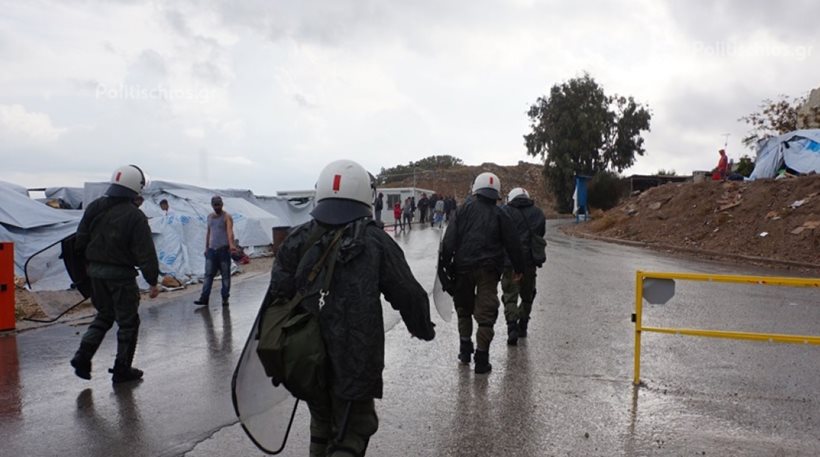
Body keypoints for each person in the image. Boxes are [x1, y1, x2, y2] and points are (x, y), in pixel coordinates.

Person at [264, 159, 435, 456]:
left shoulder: (298, 238)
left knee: (321, 420)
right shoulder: (375, 241)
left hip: (306, 355)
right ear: (365, 195)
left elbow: (277, 296)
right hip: (355, 358)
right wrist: (422, 328)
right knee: (352, 429)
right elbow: (408, 293)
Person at [70, 164, 160, 384]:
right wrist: (153, 281)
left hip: (96, 275)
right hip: (120, 278)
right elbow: (146, 253)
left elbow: (79, 242)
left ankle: (82, 356)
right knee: (128, 323)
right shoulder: (135, 216)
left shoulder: (94, 207)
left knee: (104, 315)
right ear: (134, 188)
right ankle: (122, 369)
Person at [438, 172, 525, 374]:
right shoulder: (501, 214)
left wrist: (444, 265)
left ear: (475, 189)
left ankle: (465, 350)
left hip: (462, 269)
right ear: (496, 193)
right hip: (488, 270)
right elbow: (514, 244)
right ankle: (482, 359)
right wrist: (519, 268)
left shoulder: (462, 211)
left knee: (464, 308)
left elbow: (449, 241)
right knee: (486, 313)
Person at [500, 187, 546, 346]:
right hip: (529, 262)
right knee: (528, 296)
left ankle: (511, 327)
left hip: (509, 262)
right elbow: (541, 234)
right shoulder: (538, 213)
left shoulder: (504, 211)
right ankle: (523, 325)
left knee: (509, 296)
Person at [194, 196, 236, 307]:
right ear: (212, 205)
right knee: (208, 275)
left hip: (223, 250)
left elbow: (229, 232)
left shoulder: (226, 217)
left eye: (219, 205)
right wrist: (206, 248)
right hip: (212, 251)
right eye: (215, 205)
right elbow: (209, 233)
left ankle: (225, 298)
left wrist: (231, 246)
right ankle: (204, 298)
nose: (217, 207)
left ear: (222, 204)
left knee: (225, 276)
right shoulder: (210, 217)